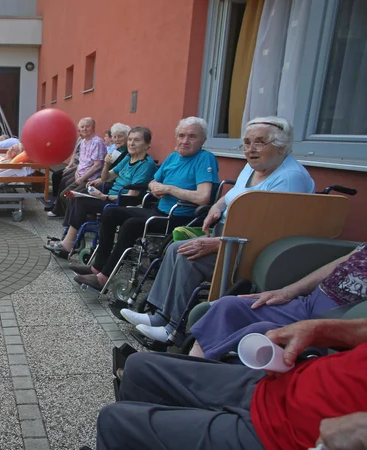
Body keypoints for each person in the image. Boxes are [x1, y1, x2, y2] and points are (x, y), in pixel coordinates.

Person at [121, 117, 316, 343]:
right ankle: (158, 315)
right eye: (247, 143)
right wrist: (216, 207)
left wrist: (218, 242)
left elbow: (271, 234)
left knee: (188, 256)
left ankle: (172, 329)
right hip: (230, 236)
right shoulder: (254, 167)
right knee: (175, 248)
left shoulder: (289, 178)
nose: (251, 149)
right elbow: (231, 195)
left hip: (254, 250)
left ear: (281, 146)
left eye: (260, 142)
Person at [95, 317, 367, 450]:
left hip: (292, 436)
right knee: (140, 367)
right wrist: (323, 330)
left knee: (115, 422)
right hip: (281, 383)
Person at [72, 117, 219, 290]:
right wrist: (155, 186)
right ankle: (97, 266)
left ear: (203, 139)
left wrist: (169, 189)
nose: (185, 141)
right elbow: (152, 182)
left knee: (131, 225)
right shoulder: (173, 157)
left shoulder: (205, 159)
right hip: (158, 209)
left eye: (192, 136)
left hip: (180, 216)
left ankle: (103, 278)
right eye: (181, 136)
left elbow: (204, 197)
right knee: (110, 212)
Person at [188, 241, 366, 360]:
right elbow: (343, 261)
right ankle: (190, 364)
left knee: (260, 332)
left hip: (342, 319)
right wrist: (288, 291)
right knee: (227, 305)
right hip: (307, 304)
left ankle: (196, 373)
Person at [45, 126, 157, 257]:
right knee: (74, 196)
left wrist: (104, 197)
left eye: (137, 140)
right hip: (111, 195)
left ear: (147, 145)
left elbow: (133, 194)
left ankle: (68, 244)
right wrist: (106, 164)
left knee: (81, 202)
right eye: (130, 139)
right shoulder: (128, 157)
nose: (131, 143)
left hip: (123, 201)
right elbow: (106, 177)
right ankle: (69, 239)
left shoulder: (145, 164)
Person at [47, 117, 107, 218]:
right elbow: (81, 161)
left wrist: (82, 178)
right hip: (80, 174)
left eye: (87, 126)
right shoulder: (83, 142)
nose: (84, 129)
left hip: (90, 179)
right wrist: (76, 173)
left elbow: (97, 166)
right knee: (64, 183)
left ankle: (73, 219)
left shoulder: (97, 142)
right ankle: (67, 215)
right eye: (82, 127)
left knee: (66, 195)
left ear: (93, 127)